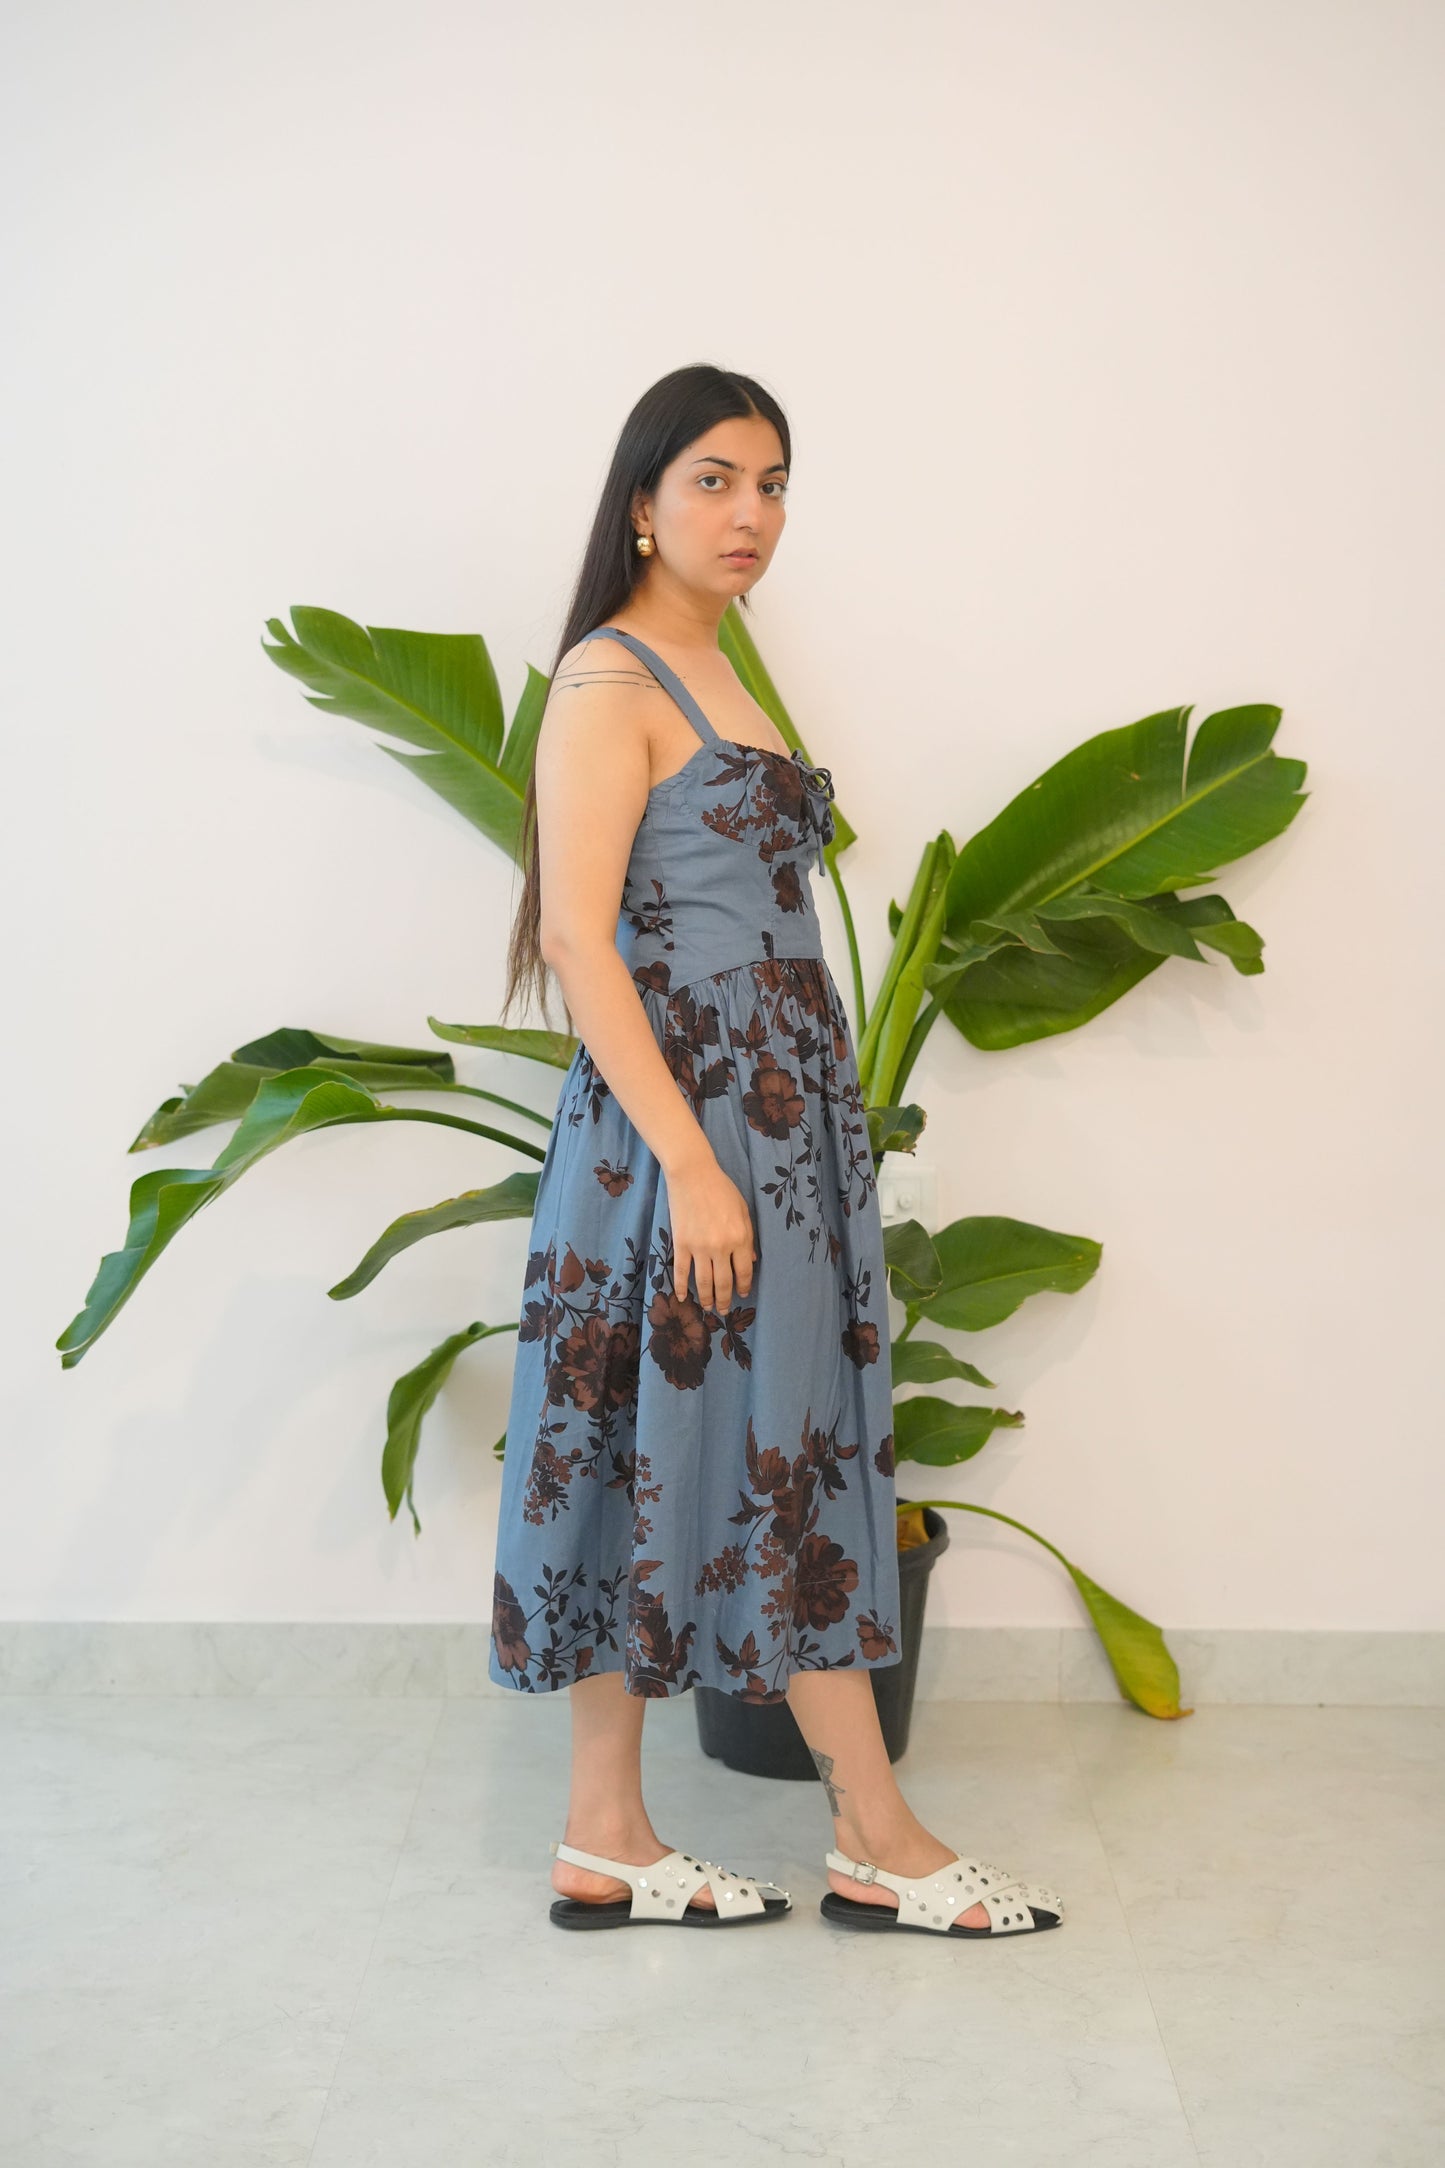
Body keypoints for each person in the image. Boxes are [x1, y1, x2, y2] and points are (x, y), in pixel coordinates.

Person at [490, 363, 1064, 1940]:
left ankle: (604, 1835)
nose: (752, 515)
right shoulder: (611, 687)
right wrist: (686, 1163)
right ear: (641, 506)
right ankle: (874, 1830)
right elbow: (580, 945)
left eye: (774, 482)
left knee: (747, 1437)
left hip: (779, 1127)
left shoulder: (718, 662)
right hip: (680, 1137)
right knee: (740, 1446)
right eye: (715, 482)